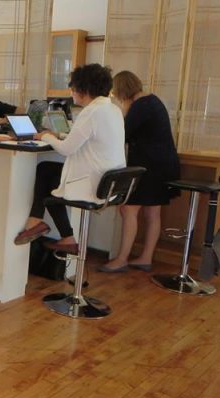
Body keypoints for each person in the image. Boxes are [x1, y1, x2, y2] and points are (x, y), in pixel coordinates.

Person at [14, 64, 125, 254]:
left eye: (73, 89)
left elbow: (66, 150)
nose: (72, 94)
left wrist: (45, 136)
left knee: (46, 174)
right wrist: (59, 135)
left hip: (93, 185)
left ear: (84, 90)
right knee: (49, 176)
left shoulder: (91, 112)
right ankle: (62, 235)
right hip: (112, 184)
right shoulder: (113, 110)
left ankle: (39, 224)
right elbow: (88, 139)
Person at [98, 70, 180, 273]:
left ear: (121, 90)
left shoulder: (139, 107)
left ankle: (122, 258)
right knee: (153, 212)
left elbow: (122, 135)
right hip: (164, 164)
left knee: (128, 209)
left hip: (149, 166)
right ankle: (145, 257)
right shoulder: (152, 101)